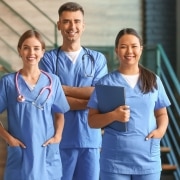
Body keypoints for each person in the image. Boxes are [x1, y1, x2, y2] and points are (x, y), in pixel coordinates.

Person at [87, 28, 171, 180]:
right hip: (114, 162)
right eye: (124, 46)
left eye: (134, 46)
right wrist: (113, 115)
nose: (129, 51)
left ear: (141, 49)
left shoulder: (153, 80)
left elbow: (162, 113)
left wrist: (161, 131)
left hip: (148, 159)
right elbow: (92, 121)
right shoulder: (106, 83)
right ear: (117, 50)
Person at [39, 2, 108, 180]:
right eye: (67, 21)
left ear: (83, 26)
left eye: (77, 21)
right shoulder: (47, 60)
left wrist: (63, 90)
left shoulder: (97, 59)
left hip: (90, 140)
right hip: (58, 140)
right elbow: (50, 98)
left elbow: (100, 94)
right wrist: (89, 101)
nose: (72, 26)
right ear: (59, 25)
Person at [0, 30, 70, 180]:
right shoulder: (8, 82)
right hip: (20, 152)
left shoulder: (53, 81)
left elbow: (60, 113)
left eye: (36, 48)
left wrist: (58, 136)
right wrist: (8, 139)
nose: (31, 52)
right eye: (26, 47)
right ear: (19, 51)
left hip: (46, 151)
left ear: (43, 52)